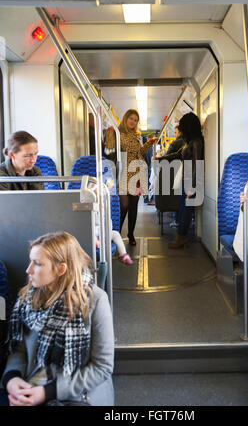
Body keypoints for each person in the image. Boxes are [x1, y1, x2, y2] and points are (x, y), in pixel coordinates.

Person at [1, 231, 114, 406]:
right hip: (32, 385)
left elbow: (102, 367)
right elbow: (20, 350)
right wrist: (12, 378)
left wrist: (48, 392)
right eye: (30, 261)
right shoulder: (28, 297)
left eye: (37, 264)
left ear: (61, 269)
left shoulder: (96, 300)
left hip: (78, 396)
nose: (28, 270)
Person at [106, 109, 157, 246]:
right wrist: (109, 134)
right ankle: (116, 232)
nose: (133, 122)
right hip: (123, 173)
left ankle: (131, 234)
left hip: (136, 172)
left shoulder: (137, 135)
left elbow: (139, 152)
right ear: (125, 118)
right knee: (123, 205)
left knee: (133, 206)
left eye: (135, 120)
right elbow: (108, 149)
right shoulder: (117, 133)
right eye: (131, 119)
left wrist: (149, 143)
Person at [167, 113, 204, 249]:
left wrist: (192, 187)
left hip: (190, 181)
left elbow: (196, 164)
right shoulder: (190, 141)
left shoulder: (196, 142)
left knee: (186, 210)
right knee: (183, 208)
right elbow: (177, 155)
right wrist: (160, 159)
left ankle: (181, 237)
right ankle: (181, 236)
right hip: (185, 179)